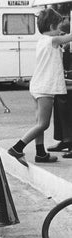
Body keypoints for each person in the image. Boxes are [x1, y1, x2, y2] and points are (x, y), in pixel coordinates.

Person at [8, 8, 72, 165]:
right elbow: (69, 37)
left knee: (39, 123)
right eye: (58, 27)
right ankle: (17, 148)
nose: (60, 32)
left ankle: (41, 153)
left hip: (37, 85)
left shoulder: (42, 41)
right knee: (43, 124)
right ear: (51, 27)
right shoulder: (52, 41)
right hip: (44, 88)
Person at [47, 19, 72, 157]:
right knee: (60, 110)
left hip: (69, 83)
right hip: (62, 83)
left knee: (68, 111)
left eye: (63, 34)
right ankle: (65, 139)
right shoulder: (61, 47)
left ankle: (69, 140)